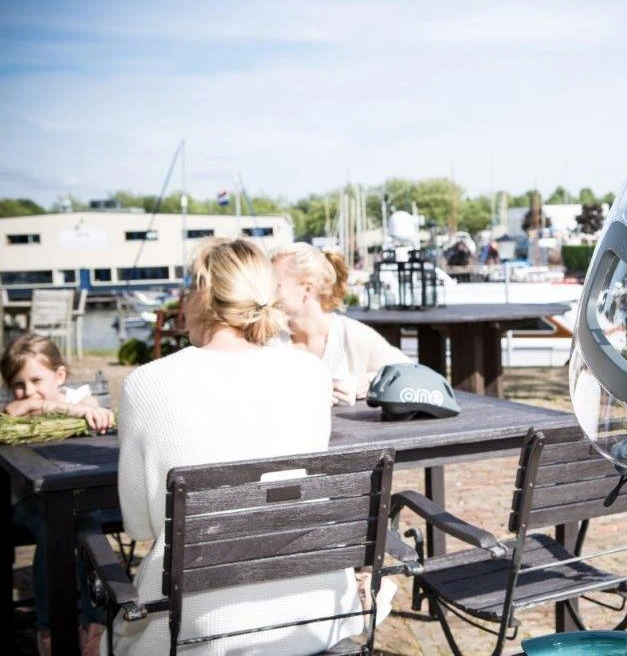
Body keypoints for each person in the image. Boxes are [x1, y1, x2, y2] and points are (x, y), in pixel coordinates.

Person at [110, 238, 370, 654]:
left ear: (202, 294)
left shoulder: (147, 383)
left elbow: (139, 526)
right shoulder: (309, 374)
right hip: (314, 613)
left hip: (196, 628)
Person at [1, 333, 115, 656]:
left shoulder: (78, 398)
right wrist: (36, 404)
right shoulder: (15, 410)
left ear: (60, 376)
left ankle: (93, 623)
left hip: (76, 501)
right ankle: (50, 626)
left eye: (36, 380)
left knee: (85, 527)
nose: (28, 392)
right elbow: (14, 409)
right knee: (54, 529)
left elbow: (94, 408)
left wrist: (83, 411)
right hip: (26, 504)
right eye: (18, 384)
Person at [271, 243, 410, 405]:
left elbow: (412, 374)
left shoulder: (352, 336)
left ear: (307, 290)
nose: (266, 293)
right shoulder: (269, 340)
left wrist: (369, 383)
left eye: (276, 286)